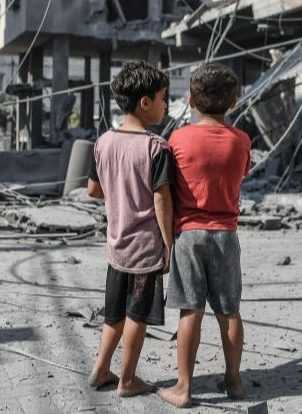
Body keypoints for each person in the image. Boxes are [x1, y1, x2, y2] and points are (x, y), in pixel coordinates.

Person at [158, 63, 251, 408]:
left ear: (192, 101)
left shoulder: (178, 138)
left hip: (189, 234)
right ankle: (234, 381)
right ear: (234, 102)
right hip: (226, 233)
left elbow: (167, 188)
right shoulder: (241, 140)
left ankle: (183, 388)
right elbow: (241, 174)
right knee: (230, 311)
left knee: (190, 312)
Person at [86, 61, 174, 397]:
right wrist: (169, 246)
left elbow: (93, 190)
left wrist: (120, 190)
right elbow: (162, 203)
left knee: (114, 314)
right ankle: (127, 380)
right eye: (163, 98)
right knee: (137, 315)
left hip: (116, 246)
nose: (166, 105)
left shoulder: (103, 142)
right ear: (146, 102)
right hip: (145, 248)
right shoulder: (156, 147)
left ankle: (101, 369)